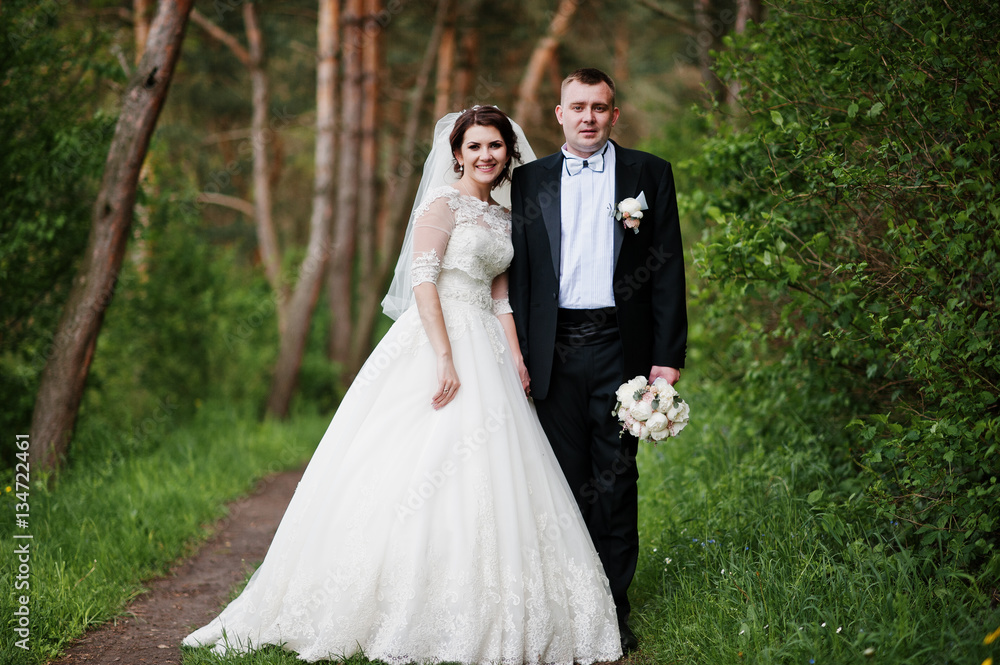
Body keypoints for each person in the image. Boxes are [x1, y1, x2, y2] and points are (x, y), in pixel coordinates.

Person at [182, 106, 622, 664]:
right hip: (437, 339)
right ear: (456, 152)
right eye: (476, 146)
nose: (486, 156)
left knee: (498, 474)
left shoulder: (502, 215)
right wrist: (444, 356)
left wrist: (515, 356)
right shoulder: (441, 205)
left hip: (488, 341)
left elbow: (502, 297)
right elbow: (423, 281)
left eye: (496, 146)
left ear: (509, 154)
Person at [509, 68, 688, 655]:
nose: (589, 117)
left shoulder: (649, 175)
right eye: (577, 106)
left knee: (615, 479)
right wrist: (515, 354)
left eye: (600, 107)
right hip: (552, 348)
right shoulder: (528, 181)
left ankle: (613, 609)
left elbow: (667, 272)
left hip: (622, 349)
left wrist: (667, 360)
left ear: (616, 114)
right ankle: (565, 604)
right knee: (561, 480)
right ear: (557, 113)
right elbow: (519, 277)